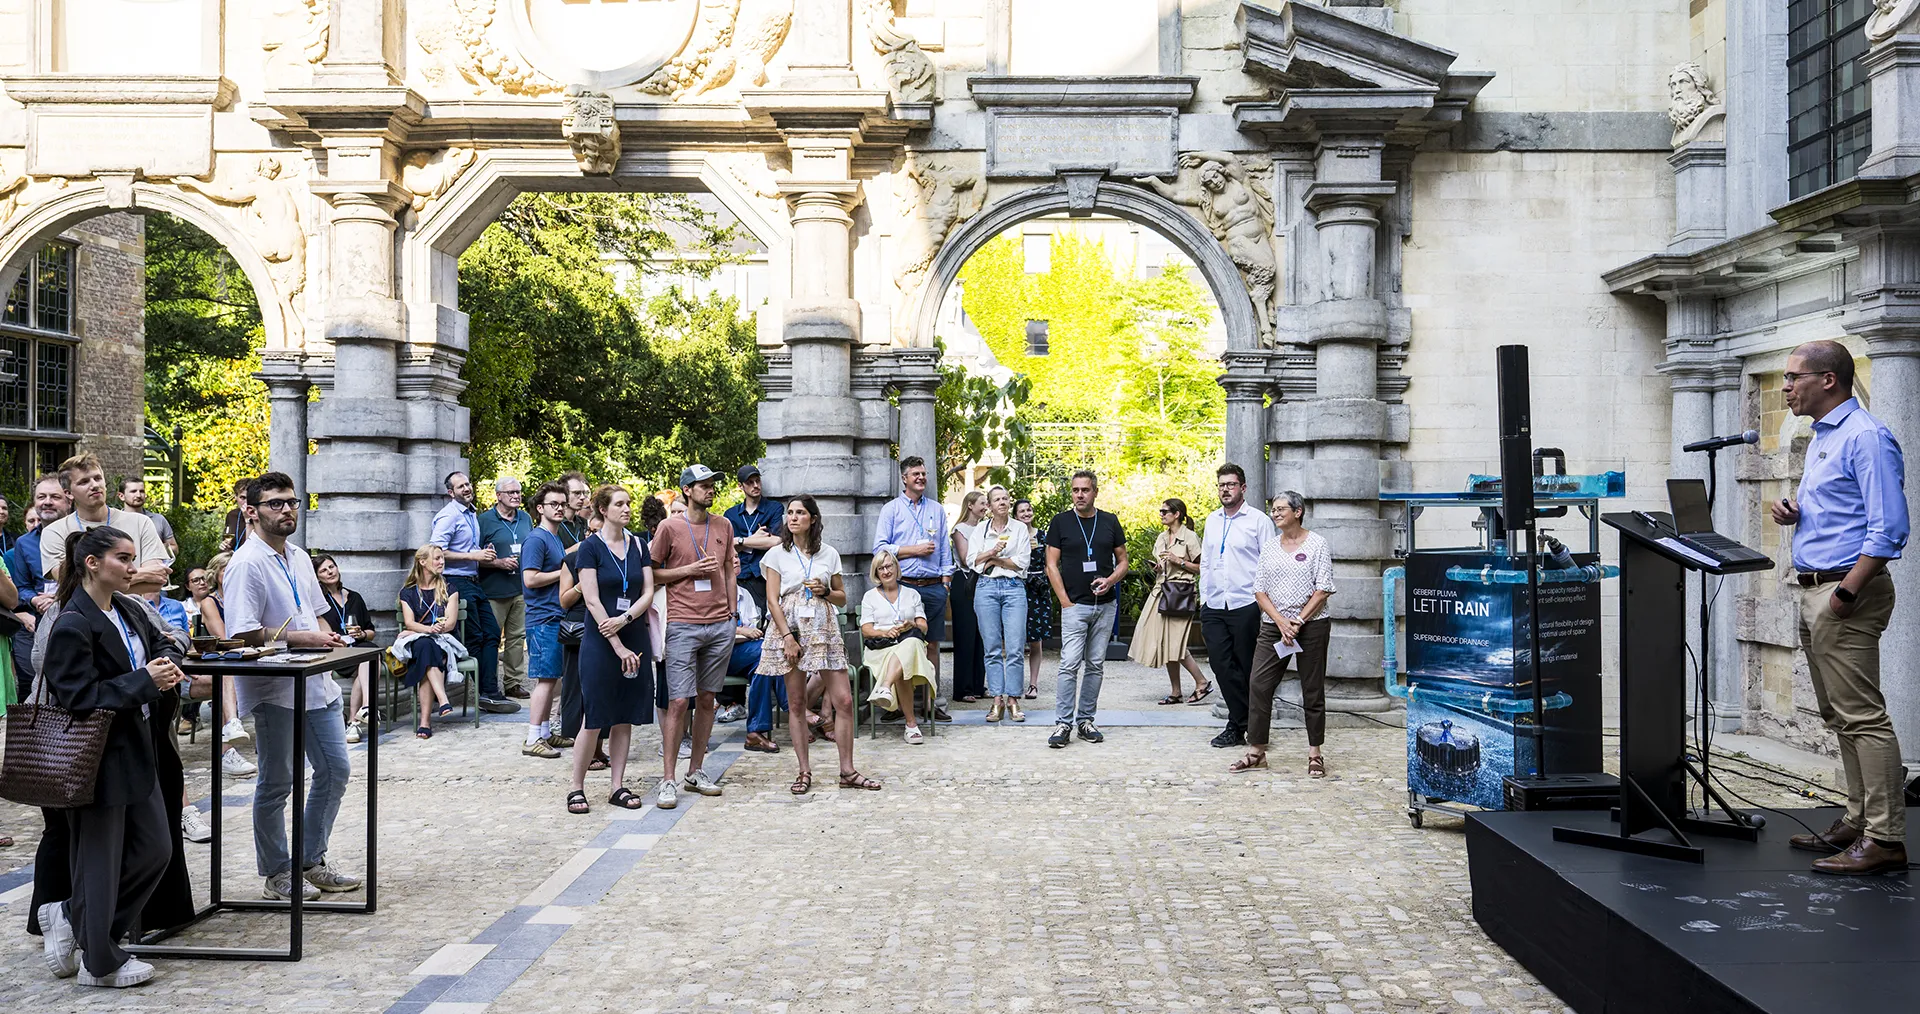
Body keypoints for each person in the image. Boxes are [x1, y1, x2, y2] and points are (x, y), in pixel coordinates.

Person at [1771, 339, 1911, 875]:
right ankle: (1858, 819)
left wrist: (1845, 594)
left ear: (1828, 380)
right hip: (1819, 589)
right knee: (1839, 715)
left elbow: (1889, 529)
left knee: (1863, 718)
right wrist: (1796, 512)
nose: (1785, 388)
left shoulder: (1867, 437)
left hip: (1844, 594)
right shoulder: (1826, 437)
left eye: (1793, 377)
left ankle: (1885, 839)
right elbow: (1845, 513)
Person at [36, 526, 186, 988]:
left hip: (137, 745)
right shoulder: (72, 622)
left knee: (156, 849)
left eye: (133, 557)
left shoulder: (126, 607)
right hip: (96, 754)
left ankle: (70, 914)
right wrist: (145, 681)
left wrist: (162, 660)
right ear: (93, 563)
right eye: (123, 558)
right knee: (99, 860)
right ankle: (99, 961)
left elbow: (160, 637)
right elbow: (77, 695)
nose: (133, 567)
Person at [221, 471, 360, 902]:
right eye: (276, 504)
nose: (286, 510)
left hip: (317, 682)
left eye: (292, 503)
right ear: (251, 511)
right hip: (275, 688)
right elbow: (240, 632)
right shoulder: (245, 564)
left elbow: (317, 613)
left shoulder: (299, 556)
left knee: (336, 769)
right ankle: (277, 871)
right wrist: (304, 639)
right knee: (278, 781)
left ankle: (310, 859)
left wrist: (329, 640)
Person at [760, 495, 880, 792]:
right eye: (790, 512)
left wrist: (826, 591)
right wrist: (787, 636)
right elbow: (772, 600)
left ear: (813, 518)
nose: (793, 517)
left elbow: (842, 597)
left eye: (800, 512)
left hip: (823, 628)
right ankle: (803, 771)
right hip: (791, 628)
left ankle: (847, 771)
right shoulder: (776, 554)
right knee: (797, 702)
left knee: (844, 700)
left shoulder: (829, 553)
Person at [650, 464, 738, 807]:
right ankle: (668, 778)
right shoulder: (669, 527)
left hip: (719, 624)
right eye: (703, 485)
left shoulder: (724, 525)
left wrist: (732, 613)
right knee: (678, 702)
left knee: (707, 700)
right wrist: (689, 570)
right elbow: (653, 573)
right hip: (683, 623)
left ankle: (696, 771)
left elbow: (730, 569)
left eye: (713, 483)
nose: (711, 489)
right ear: (687, 490)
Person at [1234, 491, 1336, 776]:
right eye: (1273, 509)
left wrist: (1298, 622)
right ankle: (1256, 752)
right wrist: (1281, 622)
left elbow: (1324, 588)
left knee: (1312, 689)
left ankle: (1315, 753)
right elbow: (1259, 590)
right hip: (1273, 626)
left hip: (1312, 625)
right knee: (1259, 684)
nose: (1275, 513)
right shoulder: (1269, 547)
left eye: (1281, 509)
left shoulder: (1317, 544)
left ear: (1298, 511)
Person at [568, 484, 656, 814]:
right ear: (603, 509)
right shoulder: (590, 548)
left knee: (625, 716)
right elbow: (590, 598)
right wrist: (616, 642)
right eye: (619, 503)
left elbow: (647, 591)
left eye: (628, 503)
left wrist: (627, 618)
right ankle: (576, 786)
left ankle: (616, 785)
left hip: (632, 633)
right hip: (601, 640)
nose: (627, 508)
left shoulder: (639, 545)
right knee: (594, 716)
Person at [1042, 470, 1129, 748]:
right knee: (1068, 665)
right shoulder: (1060, 522)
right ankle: (1063, 724)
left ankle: (1085, 720)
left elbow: (1123, 561)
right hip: (1075, 606)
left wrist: (1111, 580)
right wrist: (1065, 601)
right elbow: (1051, 565)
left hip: (1105, 607)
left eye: (1085, 490)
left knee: (1095, 665)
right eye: (1075, 490)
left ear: (1095, 492)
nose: (1080, 495)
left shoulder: (1110, 521)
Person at [1198, 462, 1274, 749]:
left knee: (1246, 667)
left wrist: (1264, 605)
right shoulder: (1212, 520)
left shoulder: (1259, 521)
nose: (1225, 490)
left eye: (1230, 485)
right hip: (1215, 604)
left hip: (1246, 604)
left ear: (1243, 488)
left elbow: (1269, 565)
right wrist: (1204, 598)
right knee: (1220, 664)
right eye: (1221, 485)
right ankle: (1242, 723)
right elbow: (1206, 561)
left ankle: (1241, 726)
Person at [872, 456, 954, 722]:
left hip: (932, 587)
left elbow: (944, 549)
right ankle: (897, 705)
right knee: (901, 643)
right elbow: (879, 548)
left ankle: (931, 703)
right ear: (904, 478)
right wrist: (912, 550)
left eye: (924, 473)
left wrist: (945, 583)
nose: (921, 478)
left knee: (932, 645)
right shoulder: (892, 510)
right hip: (902, 586)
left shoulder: (937, 510)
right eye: (915, 474)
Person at [429, 471, 516, 714]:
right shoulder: (448, 516)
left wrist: (481, 550)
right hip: (456, 581)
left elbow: (465, 547)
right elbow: (436, 552)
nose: (467, 488)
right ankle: (485, 693)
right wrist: (473, 556)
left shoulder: (470, 513)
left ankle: (490, 690)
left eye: (468, 483)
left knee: (491, 633)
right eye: (460, 486)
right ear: (451, 492)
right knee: (475, 636)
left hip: (473, 580)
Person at [41, 453, 169, 595]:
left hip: (131, 614)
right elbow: (71, 583)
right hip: (85, 615)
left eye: (97, 478)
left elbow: (156, 581)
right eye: (84, 482)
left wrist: (96, 582)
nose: (95, 485)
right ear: (69, 493)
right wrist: (142, 574)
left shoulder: (140, 522)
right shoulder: (55, 532)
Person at [1131, 498, 1210, 704]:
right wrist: (1157, 567)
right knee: (1165, 642)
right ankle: (1176, 692)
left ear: (1177, 514)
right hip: (1161, 591)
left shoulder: (1190, 537)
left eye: (1165, 511)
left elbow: (1203, 568)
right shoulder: (1161, 537)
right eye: (1161, 510)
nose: (1161, 514)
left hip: (1181, 593)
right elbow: (1161, 564)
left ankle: (1202, 682)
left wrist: (1179, 561)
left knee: (1176, 643)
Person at [861, 550, 937, 741]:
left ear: (896, 567)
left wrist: (911, 624)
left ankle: (885, 686)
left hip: (908, 643)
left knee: (911, 643)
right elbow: (866, 630)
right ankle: (911, 725)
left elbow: (924, 627)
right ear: (876, 573)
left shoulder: (912, 594)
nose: (886, 571)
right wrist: (885, 632)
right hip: (881, 648)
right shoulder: (870, 596)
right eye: (881, 568)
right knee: (905, 663)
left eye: (889, 566)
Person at [968, 486, 1030, 722]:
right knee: (992, 647)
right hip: (986, 588)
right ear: (990, 506)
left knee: (1015, 647)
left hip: (1014, 588)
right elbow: (971, 561)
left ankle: (1013, 699)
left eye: (1005, 498)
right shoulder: (980, 530)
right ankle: (997, 701)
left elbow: (1022, 563)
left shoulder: (1020, 528)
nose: (1002, 502)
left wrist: (992, 559)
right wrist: (992, 553)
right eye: (997, 499)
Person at [520, 482, 571, 759]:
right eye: (554, 504)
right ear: (540, 508)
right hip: (542, 618)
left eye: (563, 503)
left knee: (553, 677)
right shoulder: (537, 539)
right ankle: (532, 739)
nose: (560, 508)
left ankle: (544, 732)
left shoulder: (555, 536)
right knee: (545, 679)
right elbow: (530, 579)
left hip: (555, 615)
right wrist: (563, 571)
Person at [8, 473, 70, 701]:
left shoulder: (81, 535)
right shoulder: (24, 543)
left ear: (68, 499)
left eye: (55, 496)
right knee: (37, 684)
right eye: (41, 496)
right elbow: (22, 587)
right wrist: (34, 600)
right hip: (42, 622)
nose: (47, 502)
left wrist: (58, 597)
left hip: (78, 619)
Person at [195, 551, 257, 778]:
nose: (231, 574)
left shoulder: (246, 598)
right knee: (227, 676)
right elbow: (226, 640)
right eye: (225, 569)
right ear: (216, 574)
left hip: (247, 660)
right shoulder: (209, 602)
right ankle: (229, 739)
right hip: (221, 663)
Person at [394, 546, 460, 738]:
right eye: (437, 558)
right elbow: (409, 622)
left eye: (442, 558)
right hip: (423, 641)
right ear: (422, 562)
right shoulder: (408, 592)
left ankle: (425, 723)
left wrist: (427, 630)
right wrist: (428, 630)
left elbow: (450, 623)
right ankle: (443, 699)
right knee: (425, 646)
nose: (442, 562)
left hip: (445, 641)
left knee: (426, 653)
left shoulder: (450, 589)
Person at [478, 476, 532, 700]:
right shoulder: (484, 521)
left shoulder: (526, 518)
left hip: (520, 588)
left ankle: (513, 682)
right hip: (493, 589)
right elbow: (472, 556)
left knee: (517, 638)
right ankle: (489, 685)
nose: (516, 496)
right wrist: (497, 563)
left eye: (518, 492)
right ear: (498, 496)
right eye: (511, 492)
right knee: (490, 639)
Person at [553, 472, 593, 755]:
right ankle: (556, 725)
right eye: (577, 493)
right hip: (563, 606)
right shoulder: (555, 527)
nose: (583, 497)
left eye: (585, 492)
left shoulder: (581, 523)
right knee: (562, 675)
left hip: (590, 610)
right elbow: (555, 561)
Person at [315, 554, 376, 743]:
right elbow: (324, 636)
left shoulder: (355, 597)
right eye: (324, 570)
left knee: (369, 651)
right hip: (336, 652)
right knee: (368, 656)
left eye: (332, 567)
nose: (330, 572)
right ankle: (361, 713)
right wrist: (342, 639)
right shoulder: (319, 602)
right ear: (317, 577)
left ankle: (356, 718)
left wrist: (361, 634)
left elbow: (371, 631)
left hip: (359, 647)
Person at [724, 464, 785, 613]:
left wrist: (740, 541)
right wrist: (755, 539)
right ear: (740, 486)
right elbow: (726, 546)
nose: (755, 485)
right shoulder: (730, 515)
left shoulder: (774, 508)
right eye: (750, 482)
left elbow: (775, 541)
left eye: (758, 481)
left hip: (764, 577)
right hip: (738, 575)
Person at [948, 490, 988, 702]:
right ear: (970, 505)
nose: (985, 507)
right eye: (982, 503)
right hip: (964, 582)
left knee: (981, 634)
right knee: (965, 635)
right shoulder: (959, 529)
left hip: (983, 580)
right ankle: (963, 689)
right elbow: (965, 559)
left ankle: (978, 685)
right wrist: (990, 555)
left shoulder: (985, 527)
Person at [732, 584, 779, 753]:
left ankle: (755, 733)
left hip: (745, 651)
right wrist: (739, 630)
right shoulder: (711, 590)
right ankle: (795, 708)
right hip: (719, 652)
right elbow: (709, 624)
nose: (736, 560)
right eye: (732, 557)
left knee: (762, 669)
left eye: (737, 556)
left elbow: (755, 624)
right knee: (769, 651)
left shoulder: (744, 594)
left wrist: (748, 632)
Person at [1015, 498, 1048, 700]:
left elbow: (1050, 563)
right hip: (1019, 585)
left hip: (1039, 589)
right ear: (1016, 516)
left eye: (1028, 510)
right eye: (1022, 511)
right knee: (1016, 639)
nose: (1026, 513)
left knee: (1036, 640)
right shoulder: (1013, 535)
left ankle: (1033, 684)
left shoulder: (1043, 536)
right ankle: (1014, 684)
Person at [117, 478, 179, 558]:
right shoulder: (115, 520)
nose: (138, 495)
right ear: (121, 496)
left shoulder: (158, 519)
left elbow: (175, 548)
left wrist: (157, 547)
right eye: (133, 491)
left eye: (142, 491)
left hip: (153, 568)